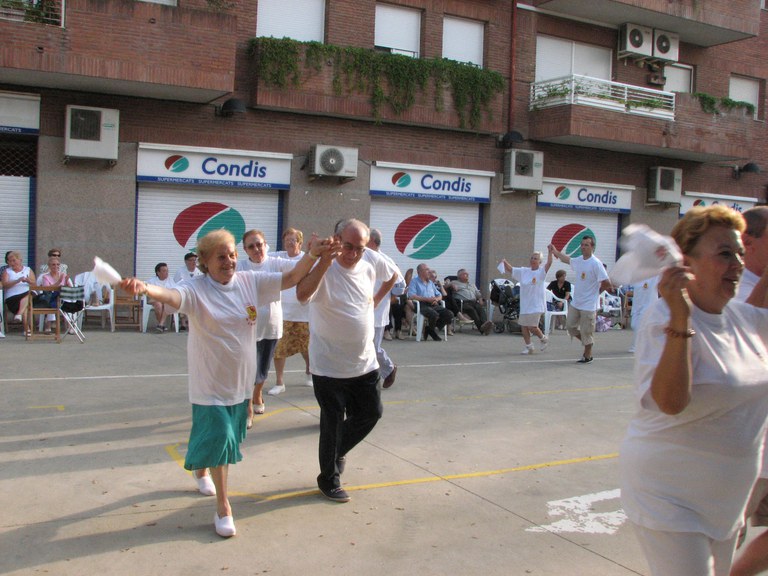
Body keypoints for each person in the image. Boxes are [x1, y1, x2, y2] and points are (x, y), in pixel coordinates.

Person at [119, 229, 333, 537]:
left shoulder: (249, 282)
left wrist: (313, 254)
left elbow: (291, 278)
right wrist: (145, 288)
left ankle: (201, 470)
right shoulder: (196, 289)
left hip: (240, 383)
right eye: (221, 257)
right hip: (209, 383)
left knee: (221, 438)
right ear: (205, 261)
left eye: (232, 255)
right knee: (220, 437)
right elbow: (172, 296)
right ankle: (223, 507)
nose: (229, 261)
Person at [619, 205, 768, 576]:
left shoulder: (746, 318)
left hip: (727, 503)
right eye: (724, 254)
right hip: (670, 498)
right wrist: (681, 316)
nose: (737, 264)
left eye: (739, 254)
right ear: (687, 263)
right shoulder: (662, 317)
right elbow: (670, 402)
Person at [296, 218, 395, 503]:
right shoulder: (323, 267)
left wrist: (376, 300)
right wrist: (323, 262)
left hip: (364, 362)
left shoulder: (370, 260)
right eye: (348, 247)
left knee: (372, 413)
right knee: (332, 422)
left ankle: (336, 451)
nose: (353, 254)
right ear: (337, 240)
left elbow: (392, 275)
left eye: (360, 248)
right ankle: (328, 479)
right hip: (328, 365)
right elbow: (302, 295)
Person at [729, 206, 768, 576]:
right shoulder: (731, 290)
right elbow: (741, 345)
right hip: (748, 444)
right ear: (749, 242)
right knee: (727, 534)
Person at [236, 229, 299, 425]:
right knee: (248, 368)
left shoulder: (275, 263)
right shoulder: (240, 267)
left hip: (271, 326)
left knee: (263, 367)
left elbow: (300, 267)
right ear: (245, 250)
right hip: (246, 328)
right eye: (251, 246)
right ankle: (247, 407)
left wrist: (316, 254)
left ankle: (257, 394)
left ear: (265, 245)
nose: (256, 249)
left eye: (259, 244)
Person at [549, 236, 612, 363]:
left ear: (592, 247)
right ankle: (588, 342)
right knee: (570, 327)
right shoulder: (579, 260)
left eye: (586, 245)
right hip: (576, 302)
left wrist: (597, 293)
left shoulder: (596, 263)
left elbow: (607, 283)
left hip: (589, 305)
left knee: (586, 331)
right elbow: (566, 259)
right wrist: (555, 251)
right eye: (582, 245)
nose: (583, 247)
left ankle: (587, 355)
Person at [270, 228, 313, 395]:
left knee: (306, 348)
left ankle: (309, 371)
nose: (289, 243)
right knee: (279, 349)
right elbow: (263, 257)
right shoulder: (278, 257)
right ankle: (280, 382)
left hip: (303, 313)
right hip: (282, 313)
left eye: (293, 240)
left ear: (300, 243)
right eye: (287, 240)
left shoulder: (306, 259)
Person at [365, 228, 401, 389]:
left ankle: (388, 368)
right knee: (361, 346)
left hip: (377, 312)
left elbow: (400, 285)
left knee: (372, 347)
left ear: (371, 241)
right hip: (359, 311)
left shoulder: (385, 260)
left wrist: (383, 296)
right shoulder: (360, 256)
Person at [502, 248, 554, 353]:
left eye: (536, 259)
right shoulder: (524, 271)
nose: (533, 260)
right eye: (532, 258)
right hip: (525, 304)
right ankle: (529, 346)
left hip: (536, 304)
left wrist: (550, 252)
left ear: (540, 262)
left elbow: (549, 263)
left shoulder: (541, 272)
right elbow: (511, 269)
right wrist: (504, 262)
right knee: (524, 326)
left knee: (532, 327)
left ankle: (543, 339)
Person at [408, 264, 454, 341]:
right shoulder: (414, 281)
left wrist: (436, 299)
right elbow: (411, 296)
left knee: (449, 314)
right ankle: (431, 332)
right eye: (427, 270)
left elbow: (439, 295)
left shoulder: (430, 283)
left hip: (433, 304)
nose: (429, 271)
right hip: (421, 304)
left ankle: (430, 329)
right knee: (434, 314)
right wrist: (427, 299)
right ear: (419, 272)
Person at [447, 268, 494, 335]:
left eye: (467, 274)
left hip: (474, 302)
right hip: (463, 303)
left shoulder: (472, 284)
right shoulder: (455, 282)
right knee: (472, 310)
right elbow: (445, 286)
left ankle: (484, 325)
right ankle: (482, 328)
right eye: (465, 274)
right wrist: (450, 284)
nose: (467, 275)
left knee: (481, 309)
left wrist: (480, 299)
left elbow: (478, 294)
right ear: (459, 276)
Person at [2, 251, 35, 337]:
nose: (12, 263)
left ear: (20, 260)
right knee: (25, 305)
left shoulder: (27, 270)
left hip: (27, 294)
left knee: (28, 296)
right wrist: (17, 280)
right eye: (10, 261)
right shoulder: (7, 271)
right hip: (12, 298)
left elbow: (34, 284)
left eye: (14, 260)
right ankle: (26, 328)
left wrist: (28, 280)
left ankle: (20, 317)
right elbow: (5, 285)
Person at [37, 256, 72, 333]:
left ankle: (52, 324)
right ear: (49, 266)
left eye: (57, 264)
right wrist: (59, 282)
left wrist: (66, 282)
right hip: (51, 296)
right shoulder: (45, 277)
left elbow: (69, 288)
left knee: (65, 300)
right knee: (53, 301)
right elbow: (47, 289)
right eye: (53, 264)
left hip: (62, 298)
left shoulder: (63, 275)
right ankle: (51, 324)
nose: (56, 266)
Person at [627, 275, 660, 353]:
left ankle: (637, 346)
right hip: (637, 307)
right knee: (634, 325)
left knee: (640, 326)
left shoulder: (654, 277)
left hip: (649, 306)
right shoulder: (637, 278)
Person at [146, 262, 178, 332]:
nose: (166, 273)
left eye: (167, 271)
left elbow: (175, 291)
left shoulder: (170, 280)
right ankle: (161, 324)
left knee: (167, 304)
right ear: (158, 272)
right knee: (158, 305)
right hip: (155, 299)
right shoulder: (152, 281)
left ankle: (160, 325)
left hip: (167, 300)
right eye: (164, 271)